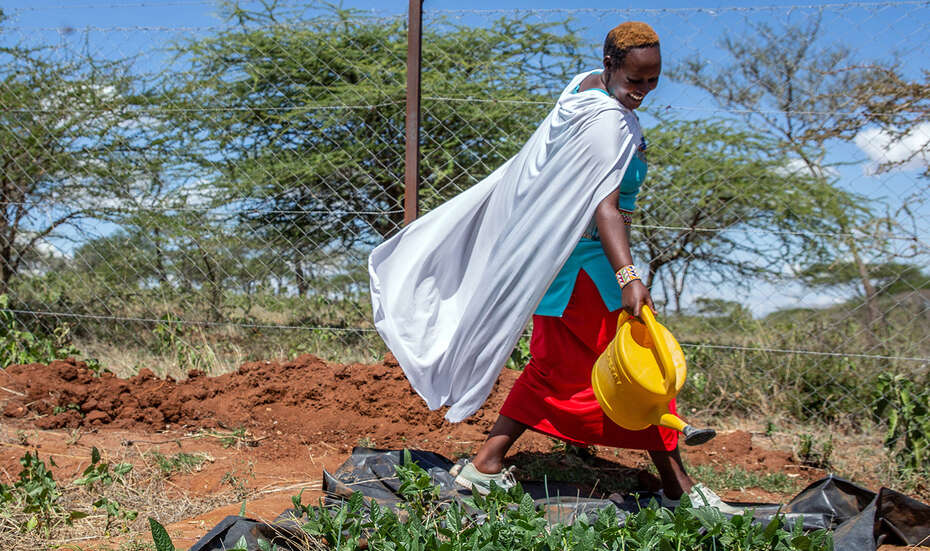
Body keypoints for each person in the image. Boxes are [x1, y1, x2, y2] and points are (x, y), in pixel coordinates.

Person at [369, 22, 738, 513]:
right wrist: (629, 277)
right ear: (610, 65)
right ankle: (679, 490)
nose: (642, 92)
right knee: (641, 368)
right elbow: (604, 206)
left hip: (556, 264)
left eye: (652, 82)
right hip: (591, 268)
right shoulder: (607, 120)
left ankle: (486, 465)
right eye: (634, 81)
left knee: (553, 369)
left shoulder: (580, 91)